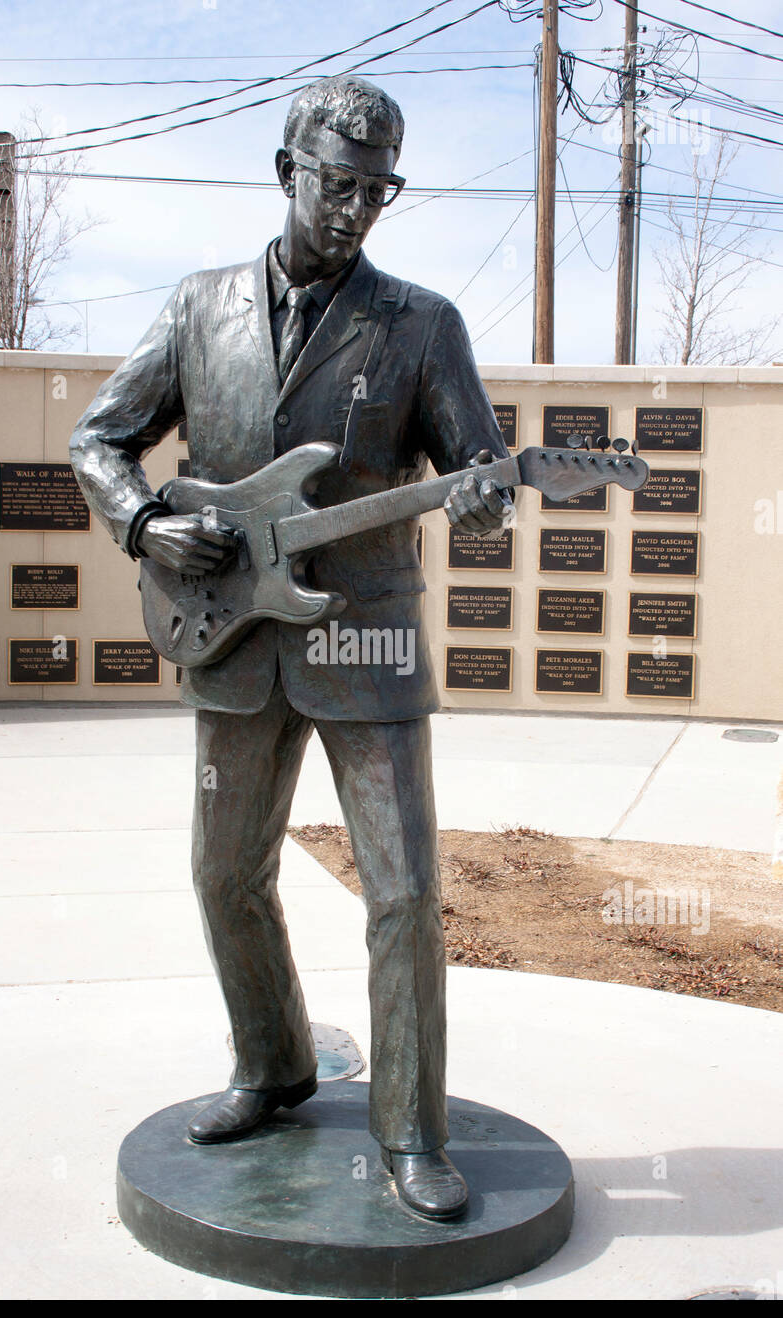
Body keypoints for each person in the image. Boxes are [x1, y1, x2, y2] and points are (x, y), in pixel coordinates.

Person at [70, 76, 513, 1221]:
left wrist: (488, 502)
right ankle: (271, 1065)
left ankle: (411, 1128)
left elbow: (483, 469)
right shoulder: (196, 306)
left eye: (378, 190)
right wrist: (145, 521)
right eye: (337, 183)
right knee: (225, 874)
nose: (356, 207)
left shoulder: (423, 325)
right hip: (229, 644)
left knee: (404, 889)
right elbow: (101, 438)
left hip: (361, 643)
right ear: (287, 173)